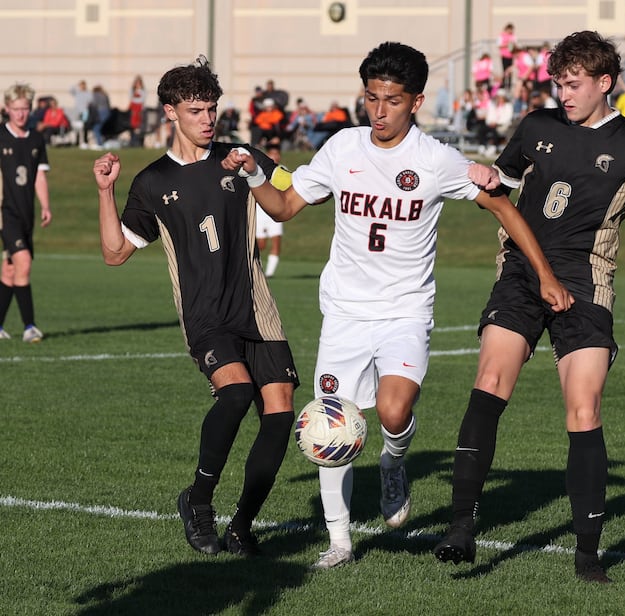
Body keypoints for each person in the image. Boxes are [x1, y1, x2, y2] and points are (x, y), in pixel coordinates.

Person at [222, 41, 572, 571]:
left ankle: (393, 463)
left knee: (393, 410)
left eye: (391, 100)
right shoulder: (342, 149)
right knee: (330, 425)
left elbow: (503, 206)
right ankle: (340, 541)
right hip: (343, 313)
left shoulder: (435, 160)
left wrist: (545, 274)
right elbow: (286, 205)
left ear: (416, 101)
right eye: (371, 98)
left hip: (406, 311)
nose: (379, 111)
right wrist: (253, 174)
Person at [433, 30, 625, 584]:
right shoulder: (537, 126)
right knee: (492, 377)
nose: (564, 93)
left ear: (605, 83)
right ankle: (460, 528)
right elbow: (503, 180)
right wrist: (485, 176)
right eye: (558, 83)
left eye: (574, 84)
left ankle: (587, 555)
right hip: (522, 271)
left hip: (586, 280)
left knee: (584, 407)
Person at [93, 55, 300, 558]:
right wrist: (105, 191)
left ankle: (242, 528)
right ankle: (199, 501)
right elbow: (115, 253)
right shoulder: (151, 181)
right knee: (234, 396)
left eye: (212, 108)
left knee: (278, 416)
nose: (208, 119)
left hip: (258, 310)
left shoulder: (240, 156)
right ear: (170, 112)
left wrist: (254, 171)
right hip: (206, 317)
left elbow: (291, 199)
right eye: (195, 110)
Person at [0, 83, 52, 343]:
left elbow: (39, 176)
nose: (21, 114)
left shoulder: (35, 139)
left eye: (25, 109)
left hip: (26, 213)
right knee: (23, 263)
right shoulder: (0, 136)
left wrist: (45, 205)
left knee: (10, 271)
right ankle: (30, 326)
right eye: (16, 109)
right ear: (7, 109)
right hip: (4, 213)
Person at [256, 138, 290, 277]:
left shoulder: (283, 171)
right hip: (260, 212)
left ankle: (269, 274)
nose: (275, 157)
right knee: (261, 245)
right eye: (272, 154)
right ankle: (252, 267)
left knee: (276, 243)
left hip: (276, 212)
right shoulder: (259, 170)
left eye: (277, 154)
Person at [128, 75, 147, 146]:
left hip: (140, 111)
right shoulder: (132, 90)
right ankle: (132, 141)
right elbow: (131, 99)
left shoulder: (143, 91)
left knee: (140, 127)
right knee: (132, 126)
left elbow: (142, 100)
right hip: (133, 110)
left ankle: (139, 142)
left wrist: (137, 94)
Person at [497, 23, 517, 90]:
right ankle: (504, 85)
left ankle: (509, 86)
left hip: (510, 56)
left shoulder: (513, 36)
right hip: (504, 56)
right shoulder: (501, 36)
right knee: (505, 70)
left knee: (510, 71)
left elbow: (514, 44)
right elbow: (499, 45)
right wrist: (507, 44)